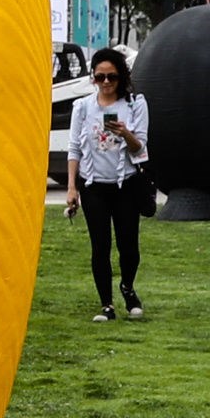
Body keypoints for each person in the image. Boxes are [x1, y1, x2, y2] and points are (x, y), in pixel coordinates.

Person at [64, 46, 147, 322]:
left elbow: (141, 150)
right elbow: (74, 148)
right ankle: (107, 305)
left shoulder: (135, 104)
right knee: (100, 245)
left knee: (128, 246)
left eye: (112, 77)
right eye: (100, 77)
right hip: (94, 186)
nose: (107, 83)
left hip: (125, 185)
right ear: (93, 79)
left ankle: (128, 287)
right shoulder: (83, 107)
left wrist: (126, 133)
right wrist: (72, 187)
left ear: (121, 77)